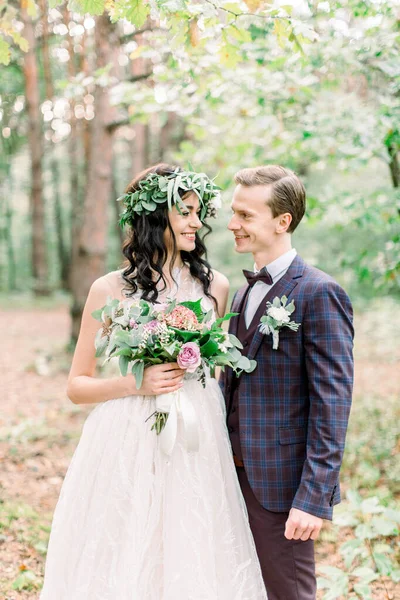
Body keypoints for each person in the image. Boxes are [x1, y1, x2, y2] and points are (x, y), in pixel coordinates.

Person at [40, 163, 267, 600]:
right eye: (185, 211)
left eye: (198, 212)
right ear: (154, 216)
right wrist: (135, 384)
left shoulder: (215, 287)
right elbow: (76, 385)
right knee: (127, 540)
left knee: (192, 538)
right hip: (128, 433)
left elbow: (216, 372)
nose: (196, 223)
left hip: (196, 435)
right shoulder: (109, 289)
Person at [221, 165, 354, 600]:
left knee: (288, 593)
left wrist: (313, 498)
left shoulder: (319, 292)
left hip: (282, 488)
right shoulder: (241, 294)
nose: (232, 224)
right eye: (233, 212)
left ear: (283, 221)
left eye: (245, 215)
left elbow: (332, 406)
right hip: (231, 476)